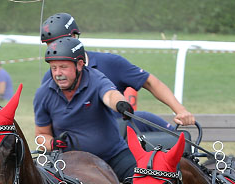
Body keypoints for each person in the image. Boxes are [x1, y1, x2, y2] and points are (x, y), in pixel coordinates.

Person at [39, 12, 194, 132]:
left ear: (74, 37)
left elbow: (150, 82)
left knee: (147, 121)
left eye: (58, 42)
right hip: (81, 148)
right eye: (49, 45)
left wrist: (181, 111)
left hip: (120, 138)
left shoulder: (111, 63)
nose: (54, 49)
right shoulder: (50, 79)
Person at [33, 37, 141, 182]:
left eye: (63, 67)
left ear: (79, 65)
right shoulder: (43, 94)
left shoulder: (95, 78)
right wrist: (52, 143)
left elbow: (109, 95)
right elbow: (41, 135)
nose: (58, 73)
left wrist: (121, 103)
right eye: (54, 68)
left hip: (114, 156)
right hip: (72, 163)